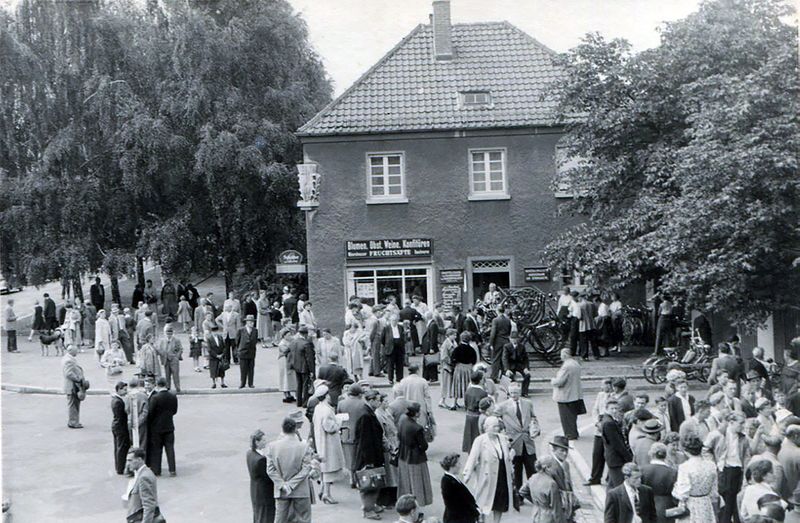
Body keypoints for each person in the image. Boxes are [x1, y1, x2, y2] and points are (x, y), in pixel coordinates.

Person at [463, 416, 514, 523]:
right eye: (494, 426)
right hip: (486, 477)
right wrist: (467, 473)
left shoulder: (502, 438)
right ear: (486, 427)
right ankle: (482, 521)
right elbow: (472, 458)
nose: (497, 429)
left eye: (498, 426)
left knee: (499, 502)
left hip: (502, 475)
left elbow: (506, 456)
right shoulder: (480, 440)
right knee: (483, 501)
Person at [266, 417, 316, 523]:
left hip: (282, 490)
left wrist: (283, 484)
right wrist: (291, 484)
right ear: (295, 429)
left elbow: (270, 470)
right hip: (301, 490)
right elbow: (306, 469)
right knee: (304, 519)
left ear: (283, 429)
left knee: (280, 519)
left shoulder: (272, 446)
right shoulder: (304, 446)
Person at [496, 382, 539, 493]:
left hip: (528, 441)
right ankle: (518, 495)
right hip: (513, 442)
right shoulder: (503, 406)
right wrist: (502, 430)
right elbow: (494, 417)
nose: (513, 395)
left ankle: (533, 493)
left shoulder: (528, 403)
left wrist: (535, 428)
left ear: (519, 392)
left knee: (533, 469)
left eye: (515, 393)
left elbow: (534, 417)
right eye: (511, 393)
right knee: (516, 471)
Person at [355, 389, 387, 519]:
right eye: (378, 400)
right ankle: (368, 509)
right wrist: (369, 461)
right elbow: (365, 440)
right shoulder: (366, 416)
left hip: (373, 455)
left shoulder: (368, 413)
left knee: (374, 482)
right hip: (369, 457)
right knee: (369, 483)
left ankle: (372, 505)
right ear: (371, 400)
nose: (380, 403)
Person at [672, 434, 718, 523]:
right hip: (706, 503)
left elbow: (683, 493)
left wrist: (675, 490)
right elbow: (714, 491)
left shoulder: (685, 467)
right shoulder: (711, 465)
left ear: (686, 451)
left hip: (691, 505)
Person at [313, 386, 345, 505]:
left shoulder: (318, 407)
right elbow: (329, 427)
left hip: (321, 440)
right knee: (328, 469)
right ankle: (327, 493)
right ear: (326, 395)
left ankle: (323, 490)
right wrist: (338, 422)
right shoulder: (326, 410)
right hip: (328, 443)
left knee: (324, 468)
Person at [397, 402, 433, 507]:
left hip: (403, 454)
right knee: (417, 483)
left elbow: (399, 435)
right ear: (416, 414)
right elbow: (424, 446)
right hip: (415, 458)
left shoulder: (402, 420)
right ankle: (416, 504)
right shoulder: (417, 428)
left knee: (405, 481)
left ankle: (405, 503)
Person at [338, 383, 369, 487]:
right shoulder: (363, 404)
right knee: (359, 457)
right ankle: (359, 478)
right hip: (361, 433)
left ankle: (352, 478)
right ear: (359, 394)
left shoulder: (341, 403)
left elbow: (339, 418)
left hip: (346, 433)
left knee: (349, 457)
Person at [147, 377, 178, 477]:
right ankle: (172, 469)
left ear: (157, 385)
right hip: (169, 426)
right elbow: (174, 411)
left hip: (156, 427)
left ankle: (156, 470)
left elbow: (151, 413)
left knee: (157, 449)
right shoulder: (173, 396)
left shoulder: (155, 398)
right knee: (170, 448)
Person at [639, 443, 677, 523]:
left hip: (646, 506)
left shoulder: (642, 470)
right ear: (665, 455)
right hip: (667, 506)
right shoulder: (673, 472)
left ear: (651, 454)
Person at [518, 456, 563, 523]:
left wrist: (536, 501)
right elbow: (556, 509)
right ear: (547, 468)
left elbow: (522, 491)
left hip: (535, 513)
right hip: (547, 517)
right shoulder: (552, 483)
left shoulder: (533, 477)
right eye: (554, 467)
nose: (556, 469)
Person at [551, 348, 584, 440]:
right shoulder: (576, 364)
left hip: (565, 395)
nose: (560, 356)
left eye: (561, 354)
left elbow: (559, 381)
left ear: (565, 355)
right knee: (573, 416)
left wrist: (553, 381)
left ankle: (569, 434)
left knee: (566, 417)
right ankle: (574, 432)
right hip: (575, 393)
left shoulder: (566, 366)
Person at [124, 447, 162, 523]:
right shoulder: (144, 473)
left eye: (130, 460)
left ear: (139, 460)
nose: (128, 464)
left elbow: (148, 505)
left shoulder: (143, 477)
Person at [375, 392, 400, 509]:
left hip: (394, 443)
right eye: (385, 401)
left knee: (393, 473)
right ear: (379, 402)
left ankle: (392, 498)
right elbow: (382, 434)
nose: (387, 403)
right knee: (390, 474)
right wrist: (389, 446)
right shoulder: (379, 415)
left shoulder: (386, 413)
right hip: (389, 447)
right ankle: (387, 500)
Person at [399, 365, 435, 442]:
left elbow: (400, 395)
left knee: (409, 427)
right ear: (418, 370)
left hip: (407, 408)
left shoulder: (403, 381)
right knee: (420, 428)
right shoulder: (423, 381)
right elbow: (427, 397)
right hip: (420, 408)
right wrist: (429, 410)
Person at [440, 453, 480, 523]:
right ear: (452, 466)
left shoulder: (451, 479)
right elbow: (459, 502)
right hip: (458, 519)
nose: (460, 465)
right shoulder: (448, 482)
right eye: (458, 463)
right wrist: (475, 511)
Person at [247, 429, 276, 523]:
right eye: (263, 440)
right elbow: (268, 477)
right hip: (264, 493)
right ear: (257, 442)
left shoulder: (250, 453)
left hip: (255, 490)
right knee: (266, 516)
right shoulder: (261, 460)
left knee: (258, 515)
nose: (265, 442)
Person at [602, 399, 633, 487]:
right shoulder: (609, 423)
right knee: (619, 484)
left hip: (612, 457)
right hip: (616, 458)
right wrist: (628, 458)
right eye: (612, 409)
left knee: (612, 484)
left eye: (616, 408)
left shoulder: (608, 420)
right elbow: (617, 444)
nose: (614, 411)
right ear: (606, 409)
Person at [463, 371, 489, 452]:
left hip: (469, 415)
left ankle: (469, 451)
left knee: (469, 435)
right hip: (478, 416)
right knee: (478, 435)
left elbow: (466, 404)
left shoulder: (468, 391)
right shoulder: (483, 393)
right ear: (480, 380)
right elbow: (484, 406)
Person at [62, 344, 87, 428]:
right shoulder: (68, 360)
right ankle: (73, 422)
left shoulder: (69, 358)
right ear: (71, 351)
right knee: (73, 404)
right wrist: (78, 379)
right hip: (72, 386)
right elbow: (68, 373)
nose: (77, 352)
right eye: (75, 350)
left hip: (73, 385)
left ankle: (74, 421)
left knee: (74, 404)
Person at [289, 326, 315, 406]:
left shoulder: (293, 342)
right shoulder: (306, 344)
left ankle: (298, 402)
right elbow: (309, 359)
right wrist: (312, 371)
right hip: (304, 367)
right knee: (305, 385)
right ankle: (305, 402)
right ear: (305, 334)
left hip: (296, 366)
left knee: (299, 384)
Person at [111, 381, 131, 475]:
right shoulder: (119, 402)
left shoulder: (115, 400)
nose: (126, 392)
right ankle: (120, 467)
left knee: (117, 447)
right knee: (121, 447)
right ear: (119, 390)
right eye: (124, 390)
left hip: (116, 425)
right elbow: (122, 415)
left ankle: (118, 466)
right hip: (120, 426)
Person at [488, 306, 512, 380]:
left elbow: (493, 333)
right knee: (505, 359)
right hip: (506, 341)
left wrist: (491, 343)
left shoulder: (495, 320)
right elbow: (509, 330)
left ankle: (494, 376)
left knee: (495, 359)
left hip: (498, 342)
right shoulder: (508, 320)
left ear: (497, 311)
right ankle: (505, 376)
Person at [383, 314, 406, 384]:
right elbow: (383, 338)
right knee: (390, 365)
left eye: (396, 320)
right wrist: (387, 345)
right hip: (390, 348)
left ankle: (399, 378)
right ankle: (390, 379)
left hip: (399, 347)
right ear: (390, 321)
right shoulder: (386, 328)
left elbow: (403, 336)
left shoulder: (400, 327)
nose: (394, 322)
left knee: (400, 364)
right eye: (393, 320)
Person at [126, 377, 149, 450]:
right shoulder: (143, 396)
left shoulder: (127, 396)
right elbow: (145, 411)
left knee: (132, 443)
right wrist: (139, 421)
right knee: (142, 443)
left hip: (131, 421)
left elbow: (127, 409)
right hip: (141, 423)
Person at [237, 314, 259, 388]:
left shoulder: (255, 330)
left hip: (251, 352)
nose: (251, 323)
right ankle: (242, 383)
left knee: (251, 369)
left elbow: (255, 340)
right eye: (250, 322)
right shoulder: (241, 330)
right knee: (243, 369)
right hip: (243, 352)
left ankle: (250, 383)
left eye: (252, 322)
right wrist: (239, 349)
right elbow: (237, 341)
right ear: (246, 322)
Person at [206, 322, 228, 389]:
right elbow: (209, 349)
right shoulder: (209, 339)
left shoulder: (220, 337)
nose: (215, 333)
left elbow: (224, 347)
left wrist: (222, 354)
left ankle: (222, 382)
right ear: (211, 332)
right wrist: (216, 355)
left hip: (220, 356)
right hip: (213, 357)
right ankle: (214, 383)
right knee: (213, 370)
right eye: (213, 332)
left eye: (216, 331)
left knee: (221, 370)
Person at [276, 329, 296, 402]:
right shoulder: (282, 343)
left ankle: (289, 393)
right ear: (284, 336)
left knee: (290, 378)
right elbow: (285, 351)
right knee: (285, 377)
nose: (290, 336)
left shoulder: (290, 341)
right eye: (288, 335)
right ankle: (286, 393)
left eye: (290, 335)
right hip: (284, 361)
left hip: (289, 361)